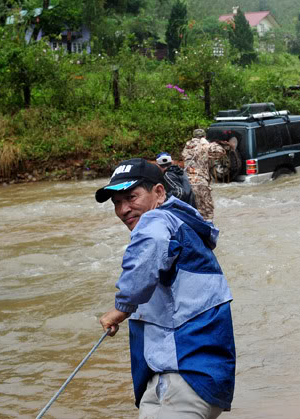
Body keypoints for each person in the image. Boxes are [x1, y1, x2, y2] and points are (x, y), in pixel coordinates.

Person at [96, 158, 235, 418]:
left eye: (132, 197)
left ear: (159, 193)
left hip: (182, 376)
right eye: (117, 203)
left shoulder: (156, 222)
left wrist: (121, 308)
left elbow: (150, 247)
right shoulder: (184, 225)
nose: (123, 209)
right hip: (200, 376)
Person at [182, 129, 226, 222]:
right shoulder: (204, 145)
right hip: (200, 183)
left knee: (193, 212)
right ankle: (208, 233)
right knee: (207, 213)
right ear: (204, 137)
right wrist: (208, 143)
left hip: (187, 184)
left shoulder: (187, 147)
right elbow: (221, 151)